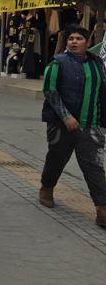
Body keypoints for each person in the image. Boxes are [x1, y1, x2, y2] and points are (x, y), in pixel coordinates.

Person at [38, 25, 106, 228]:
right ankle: (46, 187)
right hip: (62, 125)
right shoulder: (58, 63)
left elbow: (102, 93)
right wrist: (66, 116)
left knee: (94, 167)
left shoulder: (97, 64)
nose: (74, 42)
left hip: (90, 125)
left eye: (79, 38)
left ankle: (102, 208)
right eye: (71, 39)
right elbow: (50, 91)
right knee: (57, 159)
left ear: (87, 42)